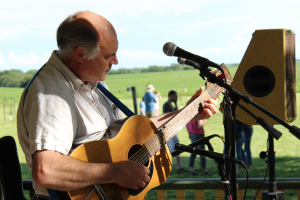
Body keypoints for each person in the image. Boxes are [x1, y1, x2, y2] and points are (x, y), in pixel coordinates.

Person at [17, 11, 218, 199]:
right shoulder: (52, 95)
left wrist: (186, 113)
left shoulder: (92, 79)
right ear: (80, 55)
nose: (116, 61)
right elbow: (46, 170)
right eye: (108, 55)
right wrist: (113, 173)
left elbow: (124, 137)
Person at [163, 90, 187, 173]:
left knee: (172, 149)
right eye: (175, 96)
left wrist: (176, 103)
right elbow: (165, 117)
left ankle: (175, 167)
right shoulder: (166, 105)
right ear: (171, 96)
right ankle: (177, 167)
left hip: (172, 131)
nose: (176, 97)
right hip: (170, 131)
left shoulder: (171, 105)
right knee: (176, 148)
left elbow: (177, 114)